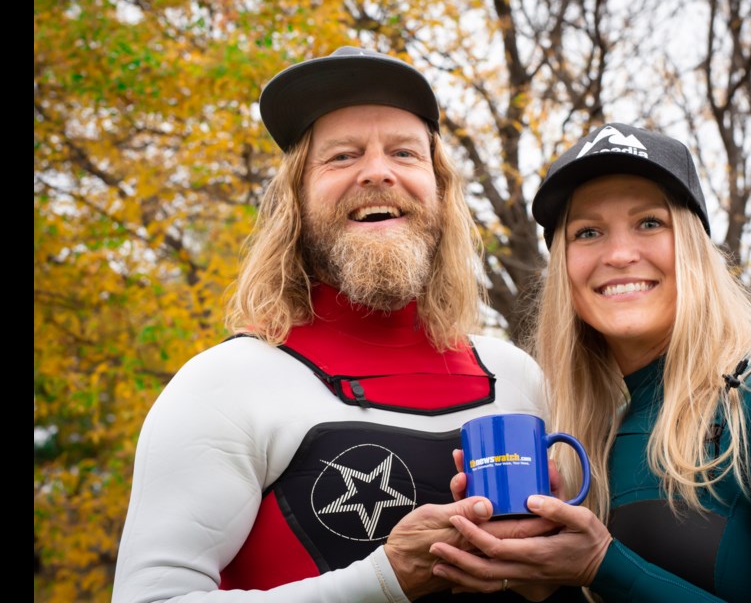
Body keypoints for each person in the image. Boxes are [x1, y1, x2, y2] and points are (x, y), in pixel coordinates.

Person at [111, 46, 578, 602]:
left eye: (404, 153)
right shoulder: (225, 384)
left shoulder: (517, 376)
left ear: (441, 190)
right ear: (295, 200)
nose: (377, 172)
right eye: (341, 156)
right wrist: (383, 582)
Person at [430, 122, 751, 601]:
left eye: (649, 222)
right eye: (588, 232)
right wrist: (541, 574)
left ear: (692, 248)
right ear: (564, 268)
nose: (620, 254)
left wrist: (603, 564)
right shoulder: (587, 440)